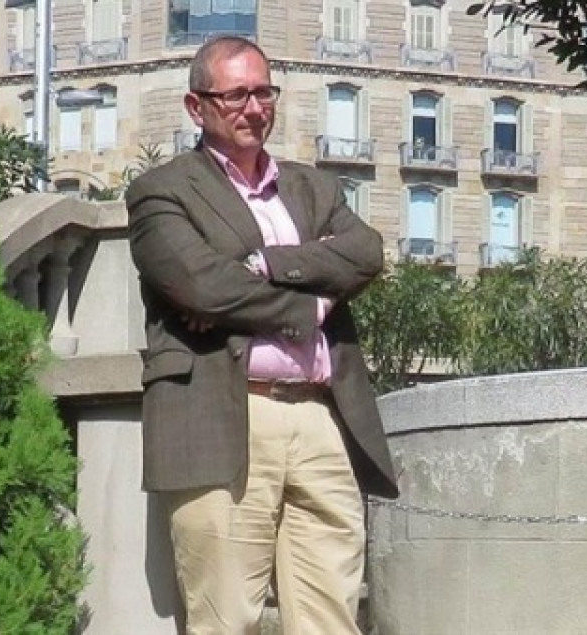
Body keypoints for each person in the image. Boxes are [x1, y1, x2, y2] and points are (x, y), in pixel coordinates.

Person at [125, 35, 399, 635]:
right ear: (197, 106)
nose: (254, 108)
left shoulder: (312, 188)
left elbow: (365, 253)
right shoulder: (162, 190)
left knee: (331, 619)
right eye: (236, 95)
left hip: (320, 415)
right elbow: (203, 287)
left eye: (264, 92)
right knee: (225, 619)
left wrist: (264, 265)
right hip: (224, 416)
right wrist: (315, 300)